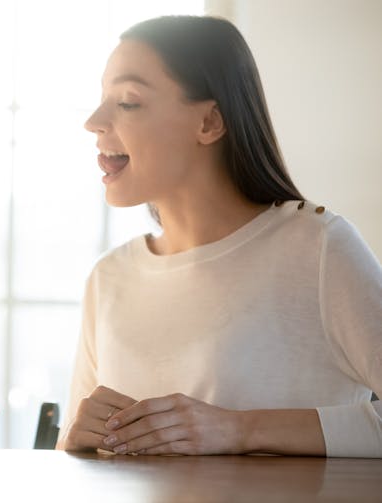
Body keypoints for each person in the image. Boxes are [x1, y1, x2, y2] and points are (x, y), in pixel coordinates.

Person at [58, 15, 382, 458]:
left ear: (209, 122)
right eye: (101, 100)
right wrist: (77, 442)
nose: (94, 121)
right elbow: (72, 463)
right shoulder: (109, 277)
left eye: (128, 102)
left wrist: (240, 430)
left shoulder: (318, 247)